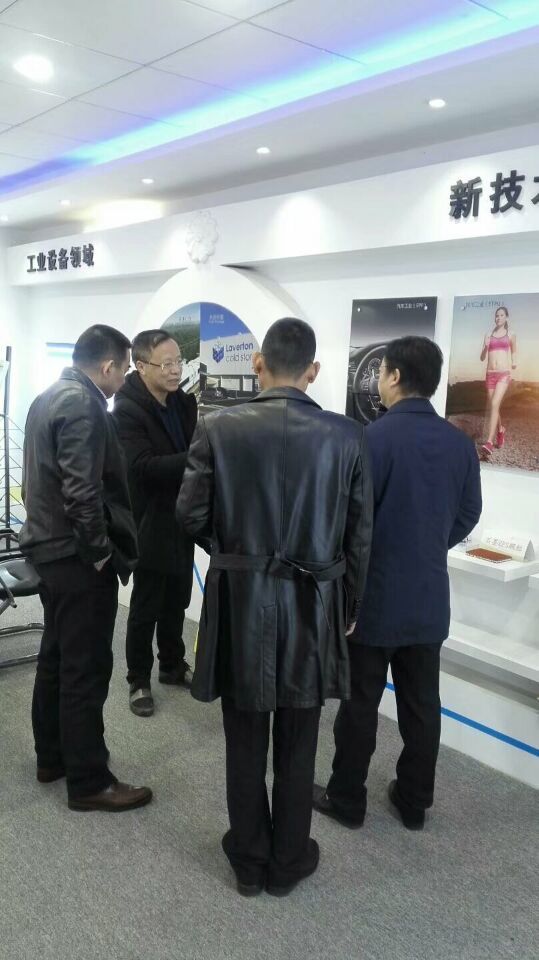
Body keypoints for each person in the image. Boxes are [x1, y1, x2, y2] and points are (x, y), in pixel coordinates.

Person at [178, 318, 373, 897]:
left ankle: (248, 860)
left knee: (243, 736)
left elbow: (189, 515)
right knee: (300, 736)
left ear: (259, 362)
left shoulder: (217, 426)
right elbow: (360, 537)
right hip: (314, 604)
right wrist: (350, 604)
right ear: (314, 370)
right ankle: (288, 860)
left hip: (241, 601)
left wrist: (235, 554)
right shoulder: (348, 436)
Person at [313, 336, 482, 831]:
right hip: (428, 598)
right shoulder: (459, 444)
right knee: (422, 705)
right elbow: (469, 513)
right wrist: (430, 545)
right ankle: (414, 801)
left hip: (372, 597)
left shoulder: (369, 439)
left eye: (381, 371)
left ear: (393, 376)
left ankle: (347, 798)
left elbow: (345, 520)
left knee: (359, 704)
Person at [20, 325, 152, 812]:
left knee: (57, 658)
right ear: (108, 366)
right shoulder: (83, 405)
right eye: (125, 370)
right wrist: (99, 555)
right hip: (76, 558)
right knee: (86, 668)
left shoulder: (48, 397)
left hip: (51, 552)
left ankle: (52, 758)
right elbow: (83, 494)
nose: (125, 379)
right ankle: (89, 780)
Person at [113, 330, 197, 718]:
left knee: (177, 599)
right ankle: (138, 679)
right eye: (166, 364)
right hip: (148, 520)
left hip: (182, 516)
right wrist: (198, 455)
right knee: (146, 605)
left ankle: (172, 665)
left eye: (179, 361)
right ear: (141, 366)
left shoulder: (183, 403)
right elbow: (142, 468)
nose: (175, 370)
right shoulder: (127, 411)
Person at [480, 306, 517, 457]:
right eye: (497, 315)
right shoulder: (488, 335)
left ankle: (489, 442)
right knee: (494, 406)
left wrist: (514, 362)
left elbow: (514, 350)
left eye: (501, 315)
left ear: (506, 317)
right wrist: (485, 346)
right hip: (490, 375)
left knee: (495, 404)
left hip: (503, 374)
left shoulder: (511, 334)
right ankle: (501, 430)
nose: (498, 318)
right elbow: (482, 357)